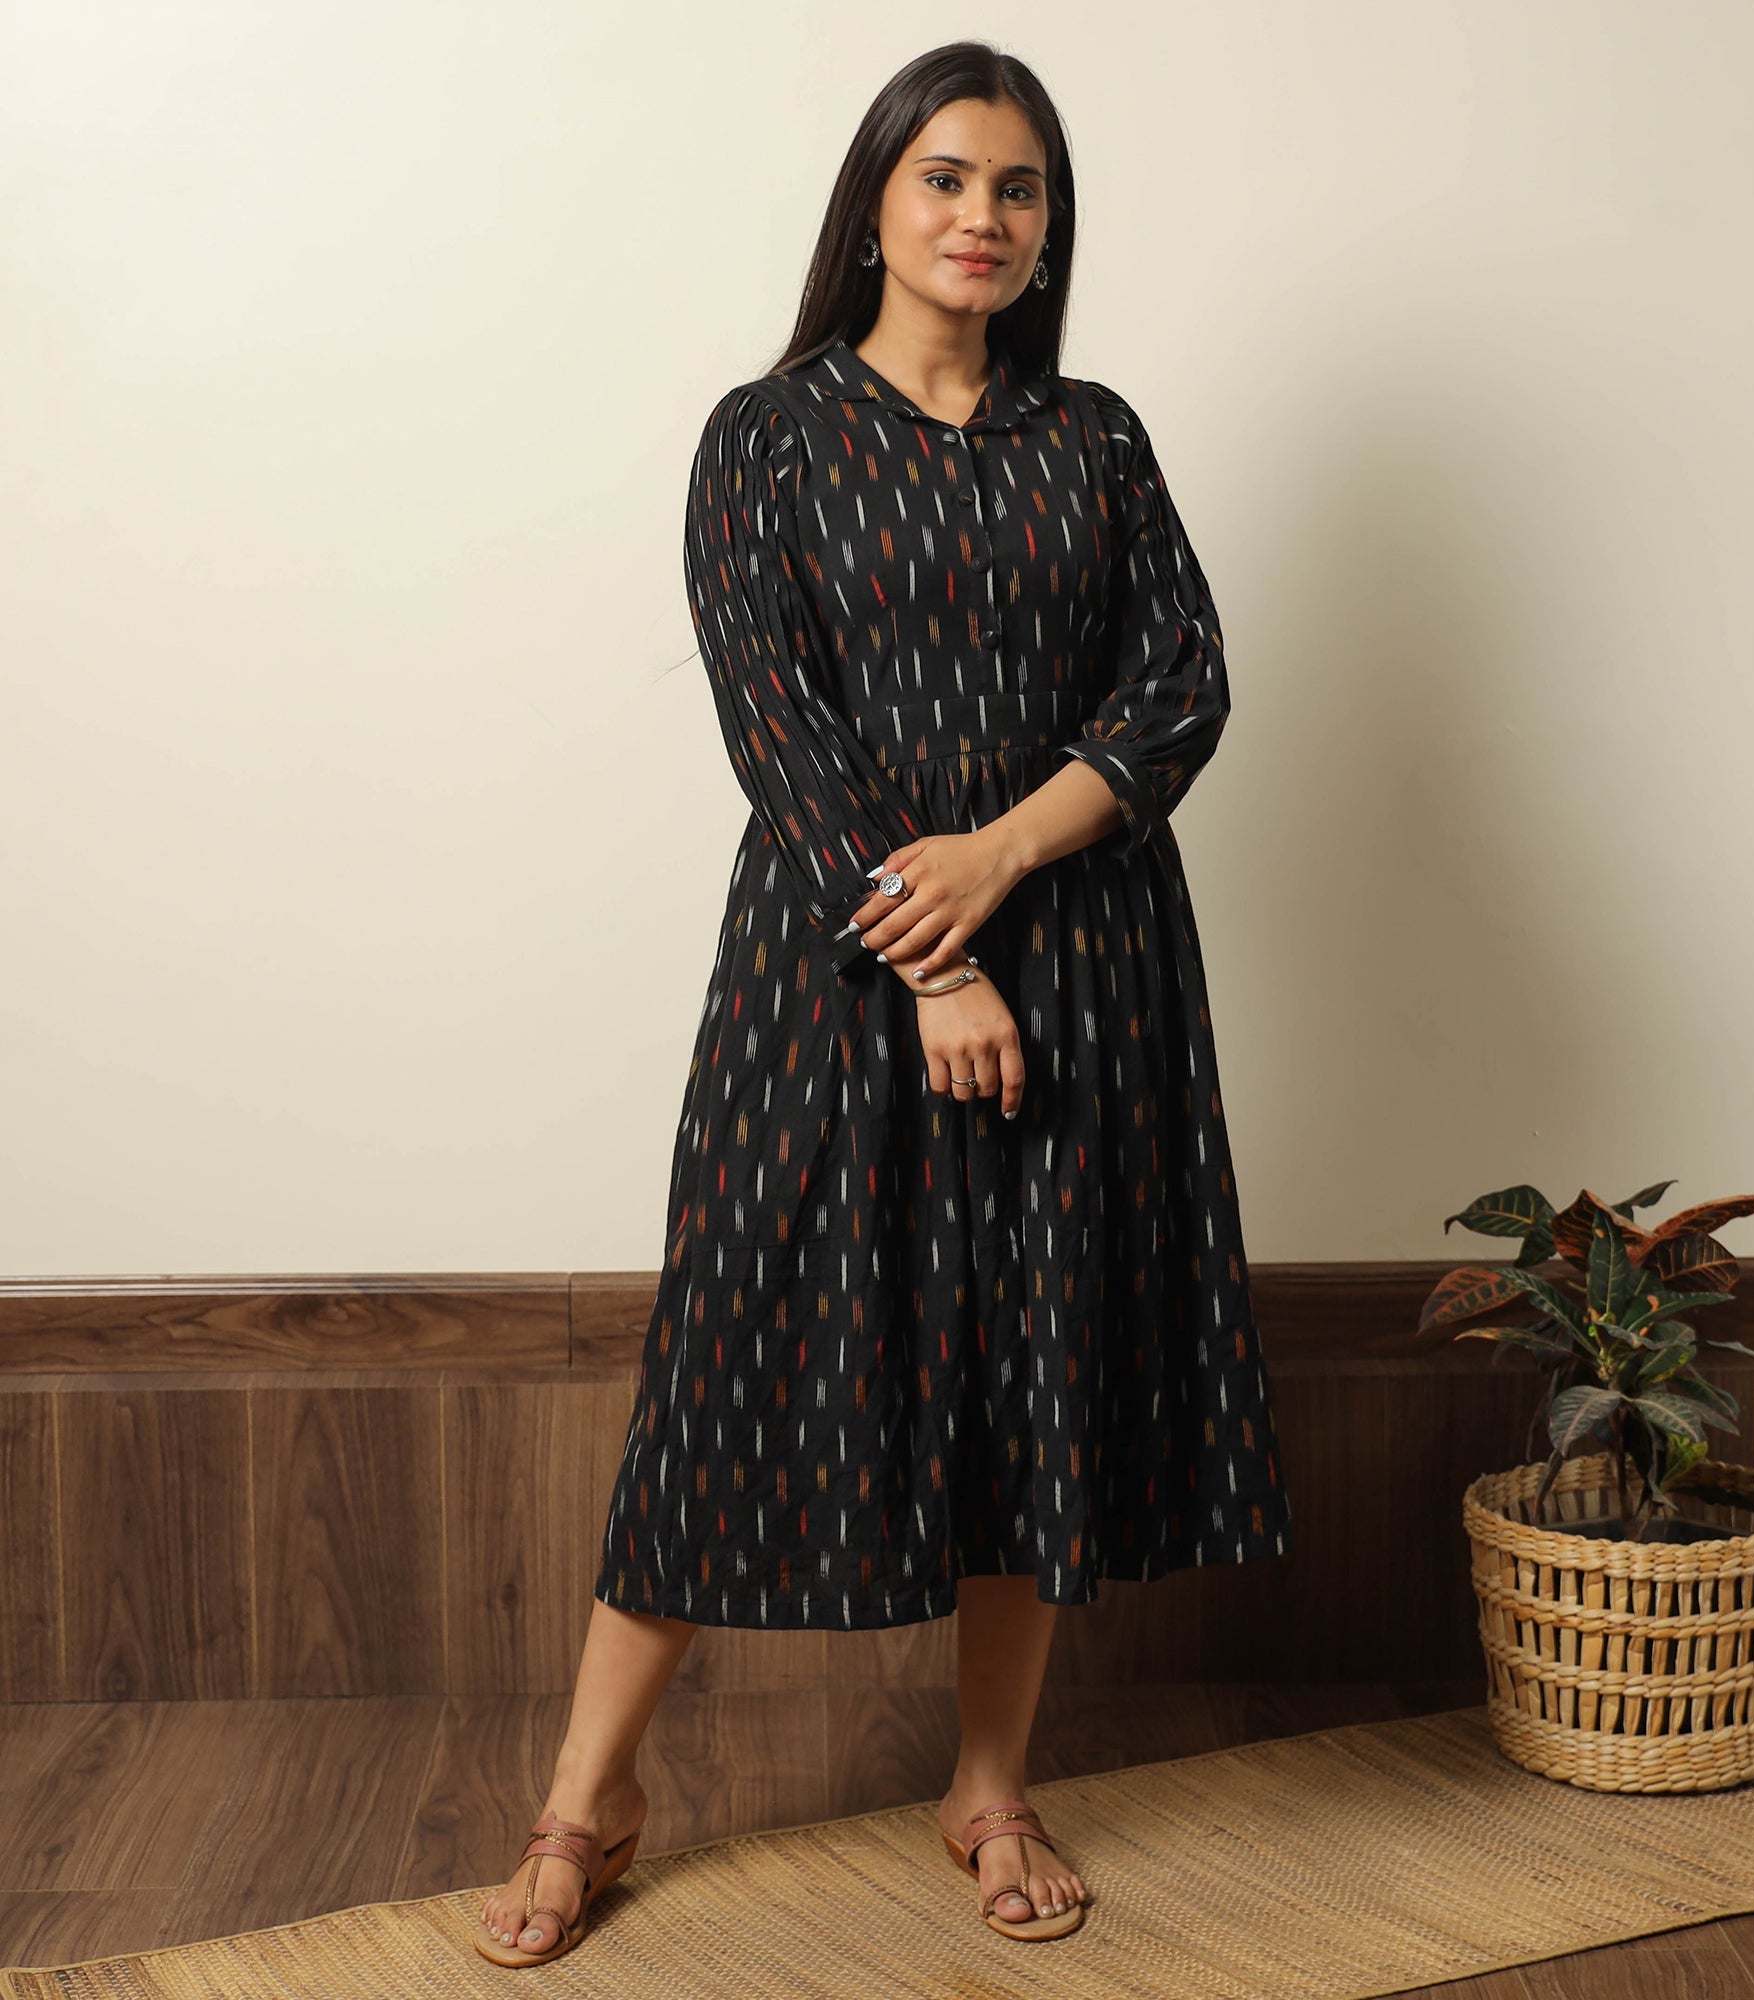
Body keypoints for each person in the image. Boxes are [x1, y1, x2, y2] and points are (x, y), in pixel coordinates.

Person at [474, 38, 1294, 1967]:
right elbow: (778, 726)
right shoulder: (765, 436)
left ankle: (989, 1787)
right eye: (945, 178)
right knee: (726, 1365)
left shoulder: (1095, 438)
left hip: (1084, 968)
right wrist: (934, 952)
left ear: (1048, 225)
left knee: (1035, 1363)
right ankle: (588, 1799)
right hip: (836, 976)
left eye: (1018, 188)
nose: (980, 217)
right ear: (872, 203)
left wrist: (997, 864)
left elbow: (1181, 687)